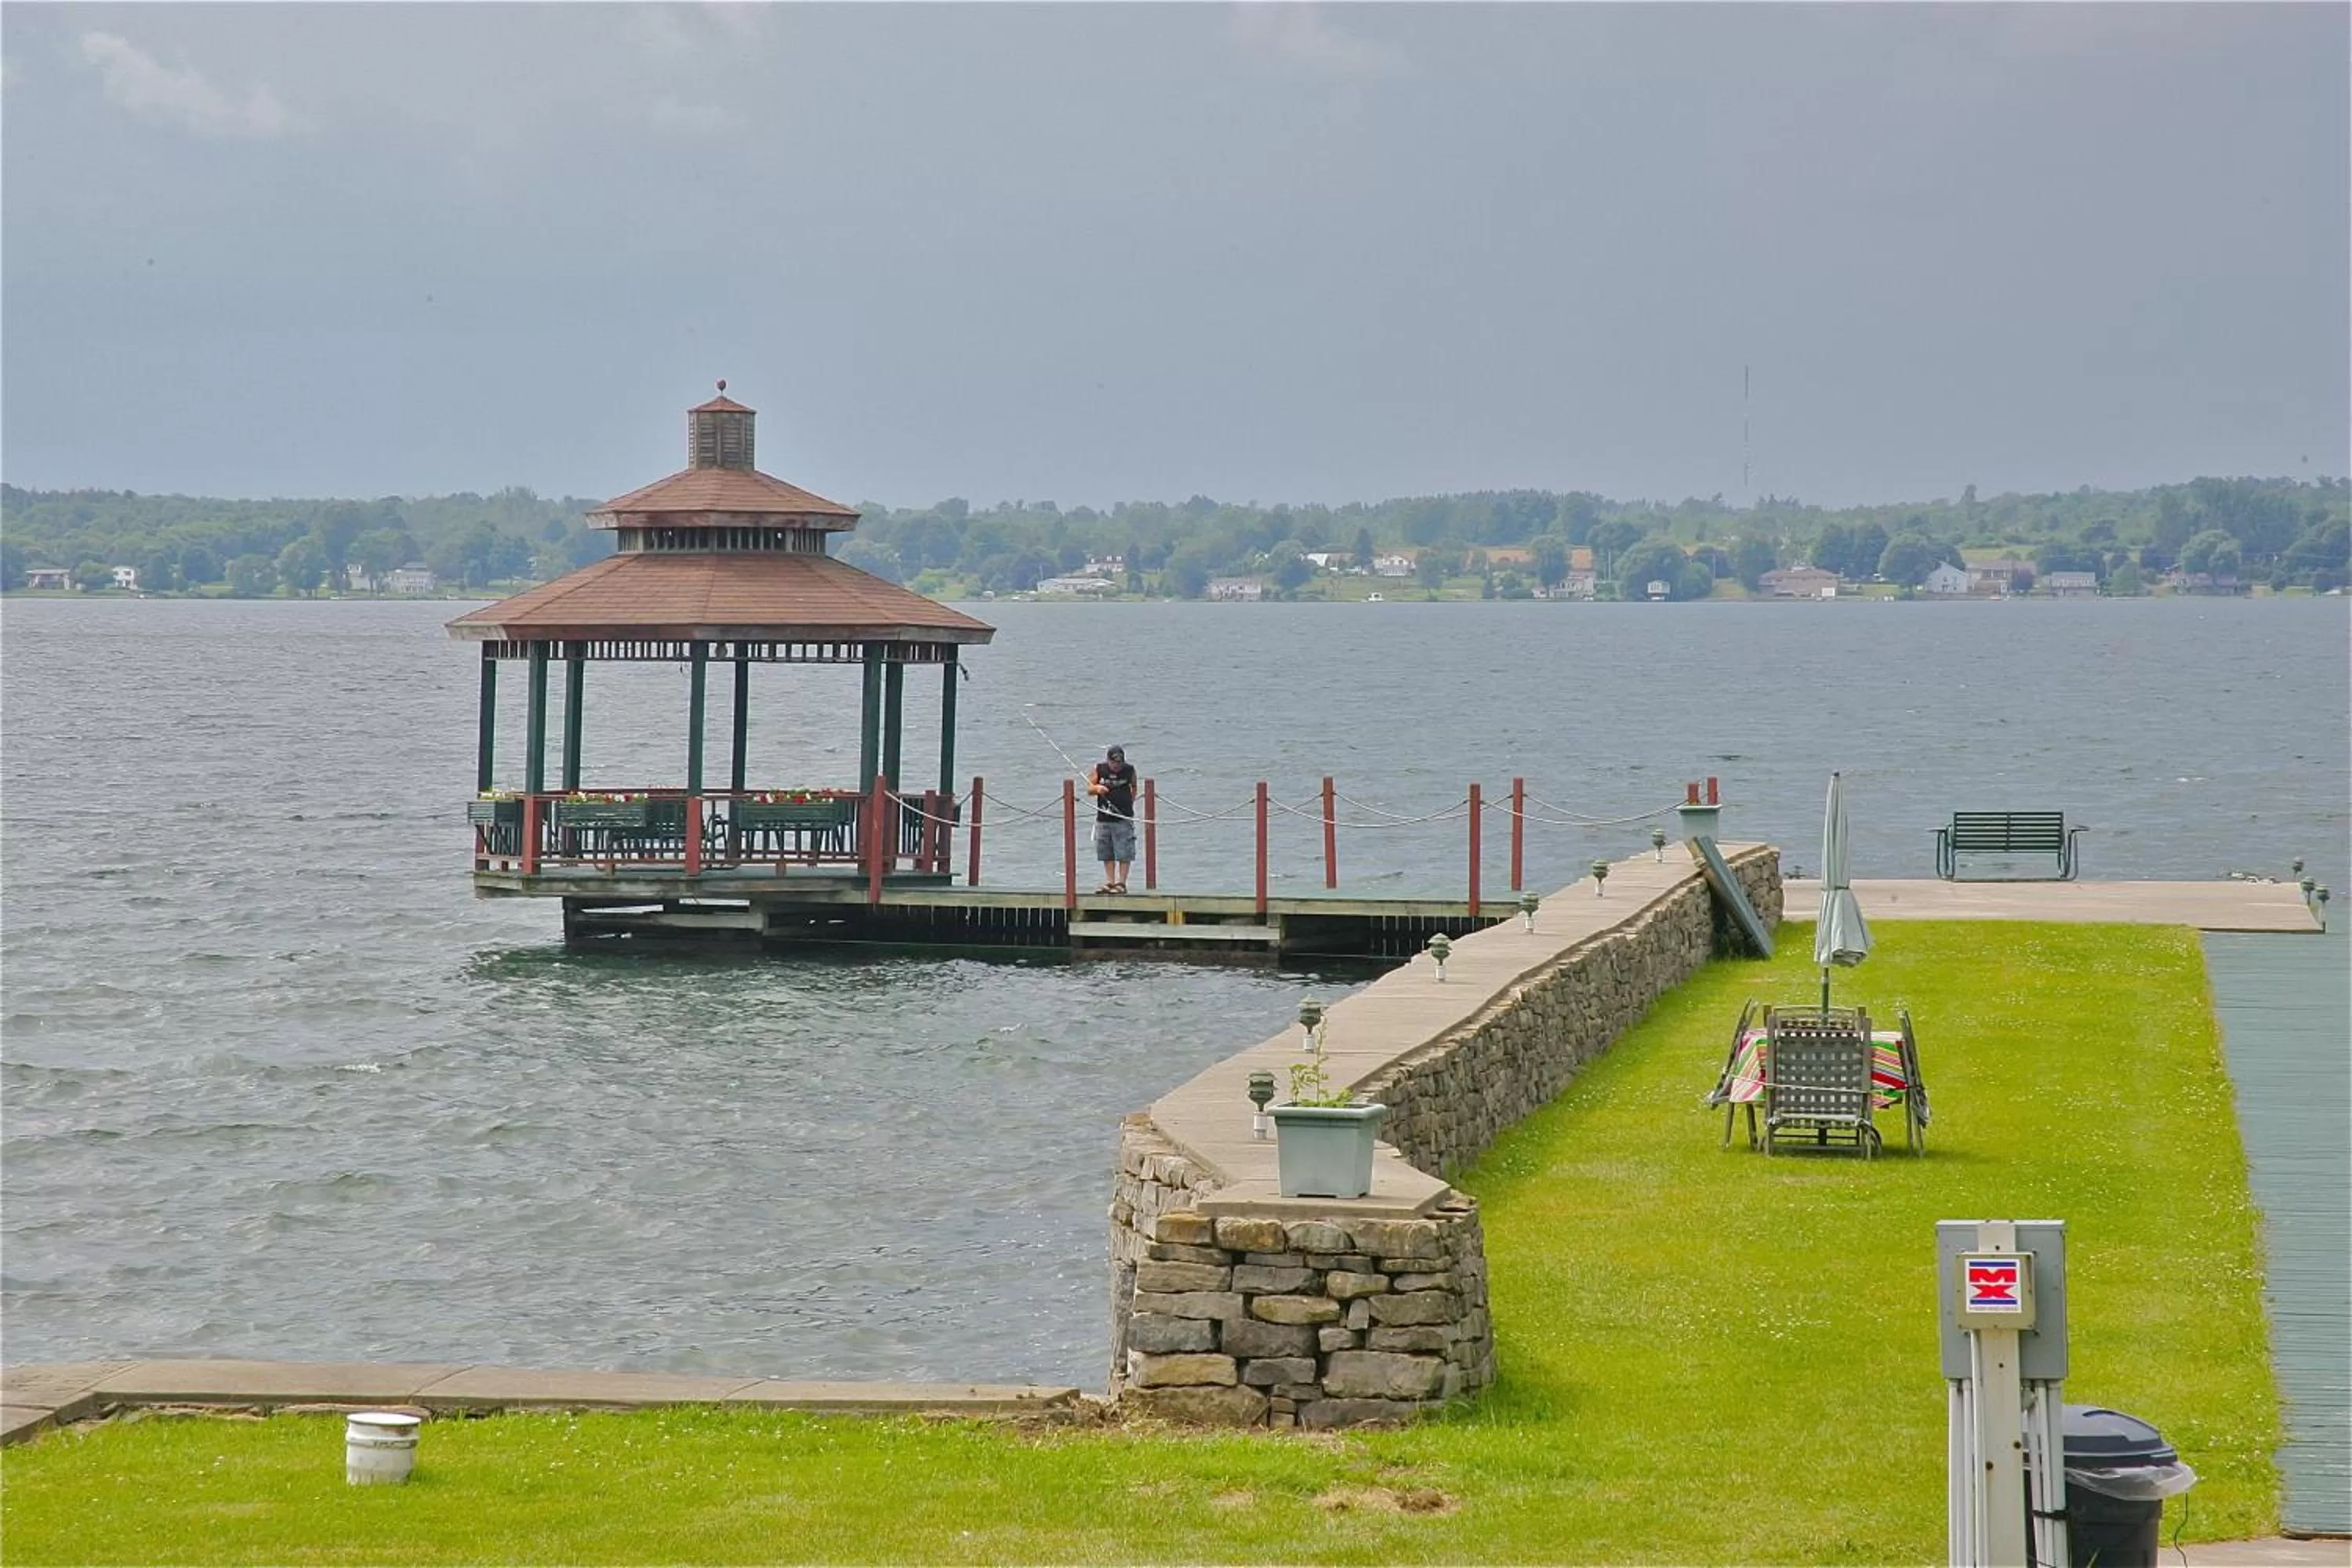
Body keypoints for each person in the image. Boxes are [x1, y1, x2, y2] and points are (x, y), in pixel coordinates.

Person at [1088, 744, 1138, 894]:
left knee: (1124, 851)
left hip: (1123, 817)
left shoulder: (1129, 770)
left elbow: (1134, 786)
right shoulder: (1099, 769)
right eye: (1114, 762)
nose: (1116, 765)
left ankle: (1121, 883)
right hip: (1104, 817)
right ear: (1108, 760)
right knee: (1106, 851)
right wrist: (1098, 789)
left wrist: (1130, 801)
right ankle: (1110, 881)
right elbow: (1090, 789)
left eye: (1119, 762)